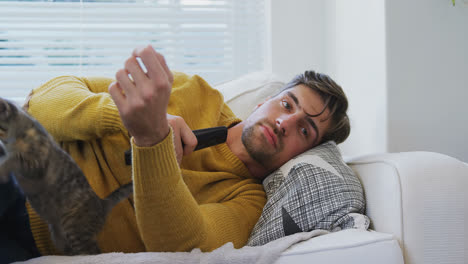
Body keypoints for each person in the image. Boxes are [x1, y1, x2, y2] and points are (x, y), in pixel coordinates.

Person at [0, 45, 350, 262]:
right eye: (287, 104)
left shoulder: (248, 203)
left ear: (305, 154)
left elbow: (182, 244)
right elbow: (45, 98)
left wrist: (151, 141)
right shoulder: (195, 91)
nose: (286, 122)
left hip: (34, 239)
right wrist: (122, 117)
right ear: (263, 102)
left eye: (305, 130)